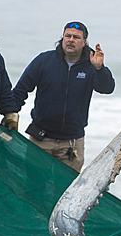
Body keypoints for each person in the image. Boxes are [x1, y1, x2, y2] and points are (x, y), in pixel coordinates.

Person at [12, 21, 115, 172]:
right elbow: (21, 90)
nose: (71, 40)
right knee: (33, 186)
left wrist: (99, 69)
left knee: (65, 191)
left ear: (84, 42)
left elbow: (107, 88)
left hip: (72, 143)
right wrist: (9, 113)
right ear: (62, 38)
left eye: (76, 37)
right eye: (68, 36)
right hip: (40, 140)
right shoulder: (44, 60)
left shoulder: (90, 66)